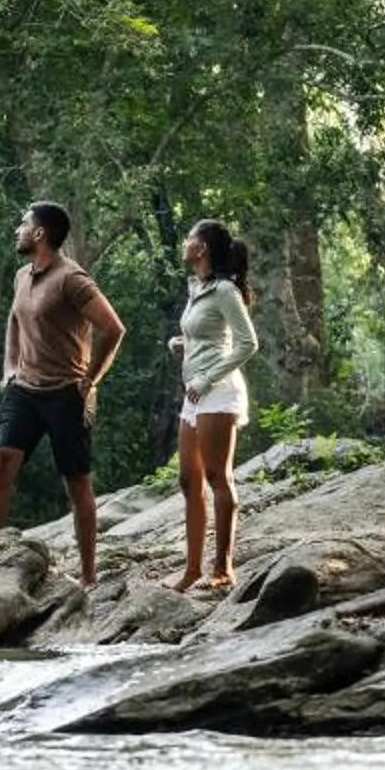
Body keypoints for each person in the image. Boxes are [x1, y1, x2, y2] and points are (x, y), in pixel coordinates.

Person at [0, 201, 127, 584]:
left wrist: (91, 379)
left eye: (23, 224)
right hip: (24, 390)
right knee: (0, 464)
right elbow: (14, 319)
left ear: (40, 233)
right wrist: (10, 368)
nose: (18, 230)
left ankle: (89, 576)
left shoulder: (71, 279)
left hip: (66, 393)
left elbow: (113, 329)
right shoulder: (21, 276)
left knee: (76, 482)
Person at [167, 219, 259, 589]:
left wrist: (206, 377)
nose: (185, 243)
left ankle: (222, 569)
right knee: (188, 481)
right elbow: (207, 337)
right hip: (195, 393)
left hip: (218, 392)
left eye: (190, 238)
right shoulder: (198, 288)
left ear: (201, 247)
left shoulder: (224, 291)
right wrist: (182, 344)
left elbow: (247, 343)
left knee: (218, 477)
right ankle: (192, 570)